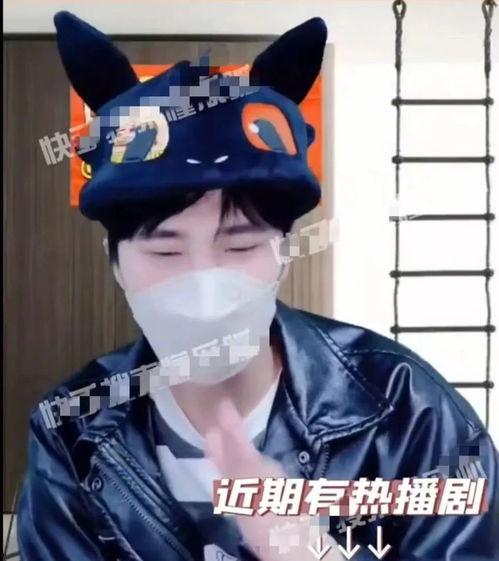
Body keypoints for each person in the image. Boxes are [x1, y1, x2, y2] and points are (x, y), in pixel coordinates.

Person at [17, 11, 499, 561]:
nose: (203, 288)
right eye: (166, 252)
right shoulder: (72, 430)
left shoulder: (408, 411)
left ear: (285, 253)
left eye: (240, 247)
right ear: (117, 264)